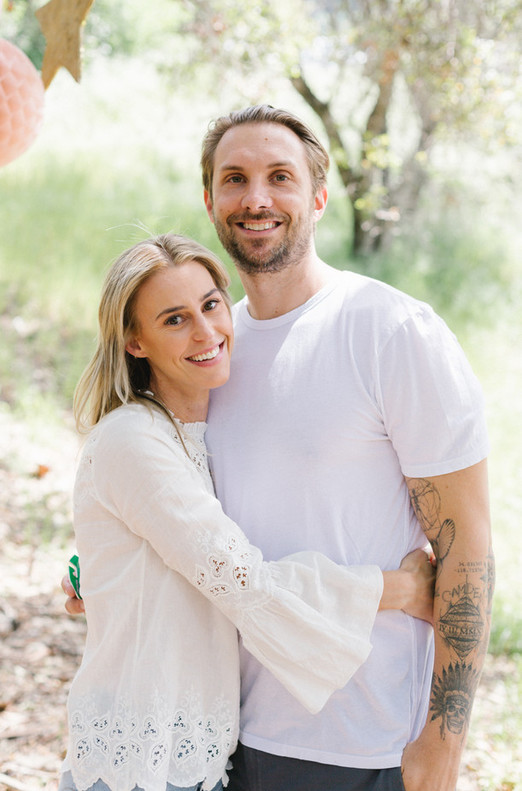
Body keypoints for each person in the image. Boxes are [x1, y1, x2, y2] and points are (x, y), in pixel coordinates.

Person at [65, 104, 492, 790]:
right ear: (210, 201)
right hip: (226, 740)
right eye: (234, 178)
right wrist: (101, 565)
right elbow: (179, 504)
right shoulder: (211, 352)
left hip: (362, 742)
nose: (256, 198)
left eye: (279, 176)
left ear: (318, 196)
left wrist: (442, 748)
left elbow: (468, 548)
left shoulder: (392, 332)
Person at [58, 233, 435, 791]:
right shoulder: (133, 440)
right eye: (174, 320)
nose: (207, 331)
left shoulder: (195, 434)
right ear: (134, 342)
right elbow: (246, 584)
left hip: (204, 760)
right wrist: (402, 591)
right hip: (138, 761)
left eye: (211, 305)